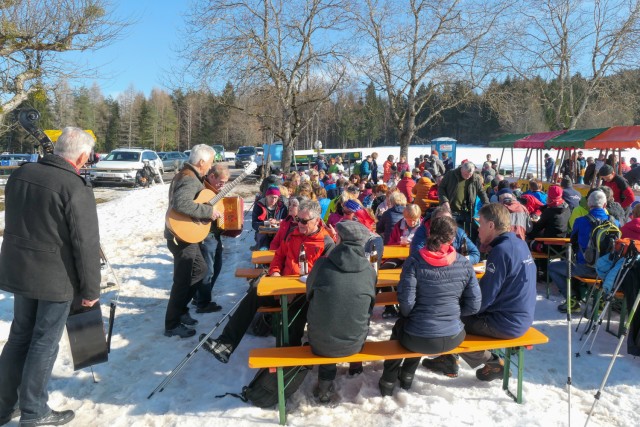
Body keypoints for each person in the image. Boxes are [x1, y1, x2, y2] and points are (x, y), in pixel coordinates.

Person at [0, 127, 100, 426]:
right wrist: (91, 289)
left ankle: (5, 406)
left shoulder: (21, 174)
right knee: (43, 342)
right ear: (82, 156)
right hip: (55, 278)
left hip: (20, 270)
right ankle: (34, 411)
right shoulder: (74, 186)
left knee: (19, 338)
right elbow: (86, 244)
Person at [203, 200, 335, 363]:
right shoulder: (292, 233)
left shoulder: (326, 242)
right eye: (298, 219)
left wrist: (298, 290)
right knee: (254, 294)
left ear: (317, 220)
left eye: (304, 221)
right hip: (282, 287)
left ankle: (288, 365)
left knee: (293, 320)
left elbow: (326, 277)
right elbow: (278, 257)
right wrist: (276, 273)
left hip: (305, 295)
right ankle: (226, 344)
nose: (299, 224)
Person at [422, 203, 537, 381]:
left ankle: (489, 362)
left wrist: (454, 307)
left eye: (480, 223)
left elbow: (482, 300)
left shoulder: (501, 251)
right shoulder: (518, 243)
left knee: (447, 321)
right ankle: (449, 357)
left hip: (506, 322)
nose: (478, 230)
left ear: (491, 225)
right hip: (521, 316)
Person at [379, 216, 481, 395]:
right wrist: (453, 314)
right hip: (453, 335)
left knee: (403, 328)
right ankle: (407, 376)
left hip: (420, 336)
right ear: (452, 238)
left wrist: (416, 315)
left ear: (429, 233)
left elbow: (406, 304)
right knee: (413, 327)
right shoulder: (464, 263)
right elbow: (474, 305)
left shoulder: (415, 261)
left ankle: (388, 380)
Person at [306, 221, 377, 403]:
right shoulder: (369, 270)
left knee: (327, 319)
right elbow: (370, 304)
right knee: (352, 315)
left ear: (338, 239)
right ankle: (355, 368)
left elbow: (309, 294)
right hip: (355, 343)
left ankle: (325, 383)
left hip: (321, 344)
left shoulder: (322, 264)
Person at [164, 145, 219, 338]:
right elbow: (181, 203)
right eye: (211, 162)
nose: (211, 166)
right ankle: (171, 324)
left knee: (200, 270)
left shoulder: (188, 174)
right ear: (202, 162)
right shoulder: (189, 178)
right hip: (181, 236)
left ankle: (180, 310)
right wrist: (208, 212)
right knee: (182, 280)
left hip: (186, 234)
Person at [548, 191, 618, 313]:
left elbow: (572, 243)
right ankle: (601, 299)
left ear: (588, 204)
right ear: (605, 205)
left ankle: (572, 299)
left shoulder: (580, 221)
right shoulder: (615, 222)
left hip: (585, 267)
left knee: (552, 267)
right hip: (608, 271)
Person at [193, 164, 231, 314]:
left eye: (225, 183)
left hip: (215, 233)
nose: (223, 185)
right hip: (205, 233)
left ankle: (199, 296)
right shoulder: (201, 189)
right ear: (211, 176)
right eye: (221, 182)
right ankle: (203, 302)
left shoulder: (215, 190)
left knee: (217, 266)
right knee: (208, 269)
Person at [410, 205, 480, 265]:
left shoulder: (459, 233)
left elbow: (475, 254)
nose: (445, 225)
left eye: (448, 221)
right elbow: (416, 256)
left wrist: (460, 262)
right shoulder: (422, 231)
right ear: (433, 222)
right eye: (441, 221)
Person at [438, 161, 489, 239]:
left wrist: (486, 203)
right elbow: (441, 188)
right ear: (461, 169)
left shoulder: (475, 178)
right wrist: (445, 201)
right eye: (465, 174)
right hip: (452, 209)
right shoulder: (451, 174)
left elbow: (481, 191)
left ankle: (466, 248)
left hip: (468, 210)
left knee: (468, 233)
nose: (468, 176)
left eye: (470, 174)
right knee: (451, 232)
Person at [527, 185, 570, 253]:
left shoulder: (549, 212)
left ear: (549, 197)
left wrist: (531, 223)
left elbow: (536, 229)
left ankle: (540, 263)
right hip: (564, 245)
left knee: (527, 243)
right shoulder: (567, 208)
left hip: (549, 247)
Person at [251, 185, 288, 250]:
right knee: (263, 246)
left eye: (276, 198)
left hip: (277, 233)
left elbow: (286, 221)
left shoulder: (282, 207)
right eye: (271, 197)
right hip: (263, 233)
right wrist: (266, 223)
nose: (273, 200)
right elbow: (254, 224)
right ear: (266, 196)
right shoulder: (259, 206)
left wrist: (277, 221)